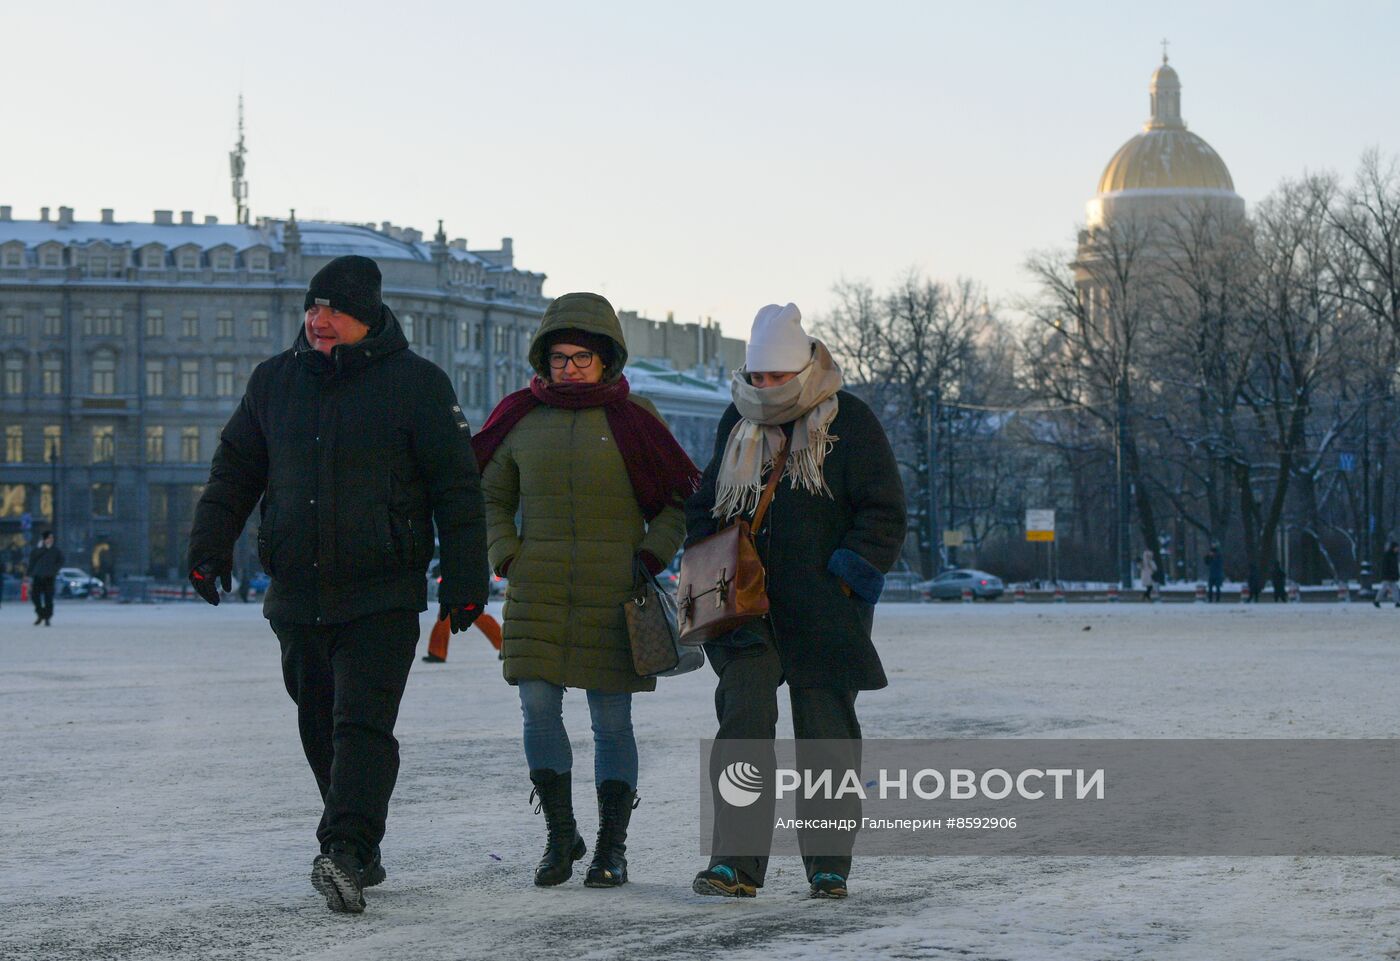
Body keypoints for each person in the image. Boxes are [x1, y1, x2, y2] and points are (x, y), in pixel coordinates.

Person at [186, 255, 489, 914]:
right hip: (296, 592)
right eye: (314, 307)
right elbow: (236, 469)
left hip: (382, 590)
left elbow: (456, 486)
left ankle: (345, 846)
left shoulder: (418, 384)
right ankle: (359, 844)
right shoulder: (274, 382)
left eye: (337, 310)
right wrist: (208, 547)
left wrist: (465, 576)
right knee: (319, 722)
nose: (320, 320)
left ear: (368, 315)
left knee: (361, 722)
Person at [473, 292, 696, 889]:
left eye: (582, 358)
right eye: (559, 358)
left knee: (611, 723)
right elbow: (490, 496)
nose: (569, 369)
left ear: (607, 360)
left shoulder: (635, 417)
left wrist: (650, 554)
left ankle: (611, 847)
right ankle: (559, 836)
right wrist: (507, 553)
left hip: (613, 593)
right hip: (536, 589)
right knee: (539, 711)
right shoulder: (519, 415)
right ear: (543, 360)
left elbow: (677, 500)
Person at [686, 303, 906, 900]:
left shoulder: (850, 421)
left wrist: (846, 578)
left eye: (776, 377)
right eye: (756, 377)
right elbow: (705, 504)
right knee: (743, 727)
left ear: (805, 366)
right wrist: (707, 560)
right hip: (746, 609)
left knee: (827, 738)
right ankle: (734, 862)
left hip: (825, 608)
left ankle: (829, 865)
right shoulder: (736, 420)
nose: (763, 389)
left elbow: (884, 512)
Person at [28, 530, 63, 626]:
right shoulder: (37, 550)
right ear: (44, 539)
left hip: (49, 577)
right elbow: (31, 562)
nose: (51, 540)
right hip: (38, 576)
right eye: (49, 538)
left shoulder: (56, 550)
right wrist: (28, 574)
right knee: (35, 597)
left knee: (49, 599)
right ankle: (40, 614)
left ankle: (47, 618)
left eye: (52, 538)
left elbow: (60, 561)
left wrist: (54, 570)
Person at [1374, 541, 1400, 608]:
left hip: (1392, 576)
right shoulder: (1387, 555)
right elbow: (1385, 566)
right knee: (1384, 589)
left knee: (1395, 589)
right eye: (1396, 547)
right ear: (1393, 548)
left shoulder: (1394, 556)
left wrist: (1396, 575)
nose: (1397, 549)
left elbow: (1395, 567)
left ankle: (1397, 602)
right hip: (1387, 576)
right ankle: (1376, 601)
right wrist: (1387, 574)